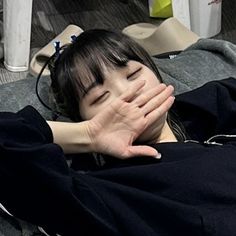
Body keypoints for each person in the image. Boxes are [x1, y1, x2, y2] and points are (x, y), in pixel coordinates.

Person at [1, 29, 236, 236]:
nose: (128, 92)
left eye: (133, 74)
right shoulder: (104, 193)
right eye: (100, 97)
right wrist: (89, 135)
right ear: (83, 119)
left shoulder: (201, 117)